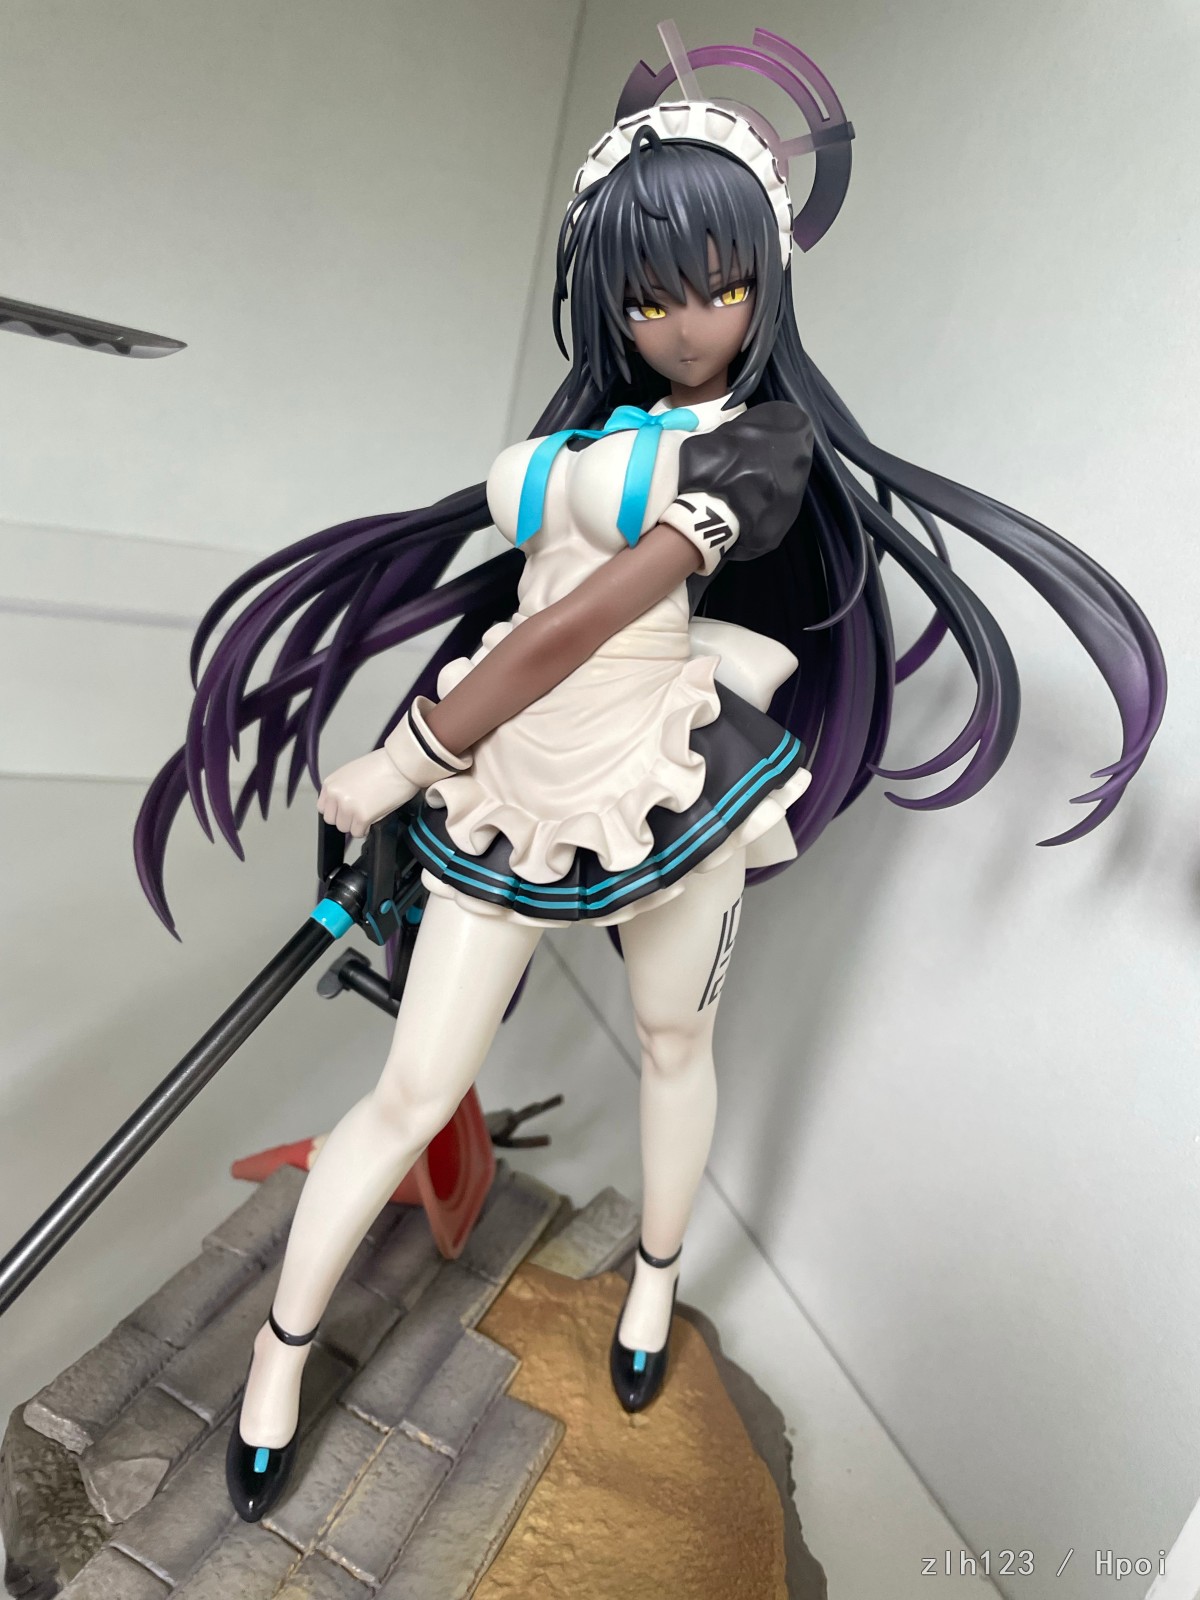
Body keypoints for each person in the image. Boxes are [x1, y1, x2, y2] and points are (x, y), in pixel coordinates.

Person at [136, 89, 1164, 1525]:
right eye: (651, 296)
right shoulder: (574, 440)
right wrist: (429, 743)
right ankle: (278, 1356)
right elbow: (518, 609)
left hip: (659, 765)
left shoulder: (764, 442)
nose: (688, 326)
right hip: (512, 771)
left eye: (722, 288)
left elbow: (591, 617)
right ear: (607, 297)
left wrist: (409, 754)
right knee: (412, 1090)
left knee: (675, 1043)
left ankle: (654, 1284)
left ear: (769, 280)